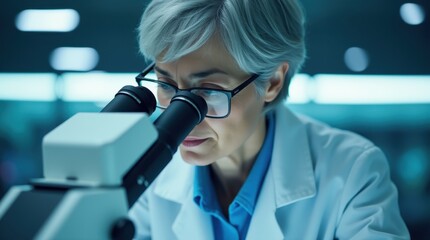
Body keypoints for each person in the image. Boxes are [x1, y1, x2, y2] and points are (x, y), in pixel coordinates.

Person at [128, 0, 410, 239]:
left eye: (208, 91)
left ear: (273, 81)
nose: (182, 117)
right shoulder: (150, 173)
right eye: (166, 85)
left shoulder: (352, 172)